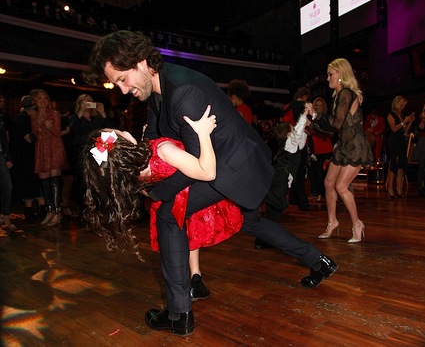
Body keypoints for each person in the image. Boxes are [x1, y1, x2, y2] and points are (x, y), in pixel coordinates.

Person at [83, 30, 337, 337]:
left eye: (123, 79)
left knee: (168, 214)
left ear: (140, 63)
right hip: (228, 164)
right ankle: (319, 261)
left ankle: (179, 314)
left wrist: (155, 190)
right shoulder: (158, 88)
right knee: (249, 222)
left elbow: (199, 168)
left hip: (230, 167)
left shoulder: (183, 93)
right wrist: (140, 162)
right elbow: (154, 134)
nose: (123, 90)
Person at [81, 106, 242, 296]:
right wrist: (203, 133)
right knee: (189, 238)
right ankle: (193, 281)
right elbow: (207, 172)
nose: (119, 129)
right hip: (191, 196)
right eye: (116, 132)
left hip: (172, 203)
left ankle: (192, 280)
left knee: (185, 240)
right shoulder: (162, 149)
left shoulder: (132, 174)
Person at [306, 58, 374, 242]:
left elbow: (335, 124)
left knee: (341, 186)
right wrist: (312, 121)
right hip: (344, 145)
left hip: (355, 146)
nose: (327, 78)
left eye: (330, 74)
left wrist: (315, 115)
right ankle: (332, 222)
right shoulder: (338, 96)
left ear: (341, 74)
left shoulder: (345, 93)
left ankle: (357, 224)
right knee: (329, 183)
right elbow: (331, 129)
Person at [263, 106, 312, 223]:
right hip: (279, 177)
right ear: (289, 134)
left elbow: (300, 137)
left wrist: (304, 123)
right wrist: (304, 113)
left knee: (273, 213)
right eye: (292, 129)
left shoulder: (292, 145)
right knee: (280, 205)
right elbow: (298, 132)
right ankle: (260, 193)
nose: (295, 130)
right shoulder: (289, 144)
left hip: (281, 178)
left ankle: (263, 238)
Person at [28, 89, 69, 226]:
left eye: (45, 97)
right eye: (39, 98)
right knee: (44, 181)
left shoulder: (54, 114)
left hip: (54, 147)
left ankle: (58, 212)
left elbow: (57, 132)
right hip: (41, 148)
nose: (43, 100)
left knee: (54, 180)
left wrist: (49, 127)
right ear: (34, 101)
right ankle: (49, 210)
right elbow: (35, 135)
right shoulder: (33, 115)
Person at [9, 95, 44, 222]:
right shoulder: (22, 119)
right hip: (25, 158)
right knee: (29, 183)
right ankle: (30, 212)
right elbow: (29, 138)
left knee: (35, 182)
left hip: (30, 156)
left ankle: (38, 210)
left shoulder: (24, 118)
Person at [284, 87, 314, 211]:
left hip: (289, 142)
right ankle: (302, 201)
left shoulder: (287, 107)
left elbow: (285, 123)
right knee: (299, 173)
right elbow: (302, 125)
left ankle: (294, 198)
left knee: (295, 171)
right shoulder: (302, 107)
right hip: (298, 142)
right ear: (306, 96)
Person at [385, 96, 415, 198]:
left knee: (401, 165)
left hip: (402, 141)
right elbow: (394, 129)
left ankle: (399, 188)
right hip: (394, 142)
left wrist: (410, 121)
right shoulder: (391, 115)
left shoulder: (400, 115)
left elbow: (404, 131)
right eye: (401, 105)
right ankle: (390, 188)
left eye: (403, 106)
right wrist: (404, 121)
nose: (402, 107)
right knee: (394, 165)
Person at [307, 97, 334, 202]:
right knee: (315, 173)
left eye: (320, 105)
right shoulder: (310, 117)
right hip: (315, 148)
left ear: (324, 107)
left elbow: (331, 132)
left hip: (327, 148)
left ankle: (325, 193)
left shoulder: (327, 118)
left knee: (326, 174)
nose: (318, 107)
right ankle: (317, 193)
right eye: (317, 105)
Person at [0, 93, 15, 230]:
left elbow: (4, 139)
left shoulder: (1, 118)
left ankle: (5, 214)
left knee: (7, 186)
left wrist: (8, 158)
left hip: (0, 156)